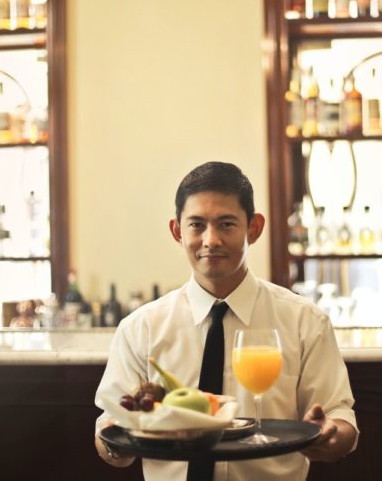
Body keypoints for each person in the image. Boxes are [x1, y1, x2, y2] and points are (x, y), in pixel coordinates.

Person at [94, 161, 358, 480]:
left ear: (254, 228)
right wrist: (115, 441)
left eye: (226, 224)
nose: (211, 240)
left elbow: (341, 422)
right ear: (177, 231)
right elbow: (110, 435)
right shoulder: (141, 328)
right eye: (196, 225)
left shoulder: (305, 321)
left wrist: (330, 435)